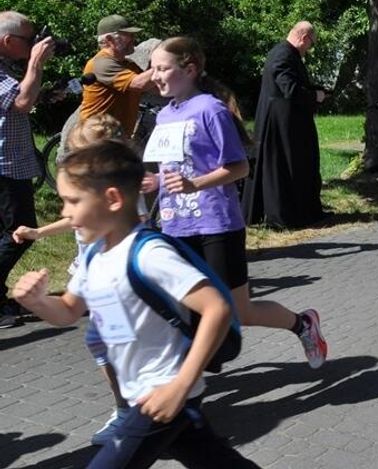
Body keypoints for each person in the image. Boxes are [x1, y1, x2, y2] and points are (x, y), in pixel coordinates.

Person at [14, 140, 258, 467]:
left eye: (72, 201)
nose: (64, 212)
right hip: (147, 394)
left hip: (162, 391)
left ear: (112, 199)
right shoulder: (94, 255)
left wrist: (180, 386)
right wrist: (38, 301)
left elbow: (217, 308)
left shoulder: (149, 254)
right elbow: (69, 311)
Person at [150, 37, 328, 368]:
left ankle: (302, 323)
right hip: (176, 225)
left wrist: (195, 184)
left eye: (162, 68)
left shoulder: (210, 110)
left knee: (238, 311)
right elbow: (173, 169)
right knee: (187, 306)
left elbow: (239, 167)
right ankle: (196, 370)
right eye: (152, 69)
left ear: (189, 69)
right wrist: (155, 181)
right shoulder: (163, 117)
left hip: (216, 225)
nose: (154, 76)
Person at [13, 113, 158, 444]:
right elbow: (75, 217)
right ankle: (127, 408)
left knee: (121, 343)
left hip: (119, 279)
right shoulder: (87, 193)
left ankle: (142, 403)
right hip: (93, 272)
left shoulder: (123, 197)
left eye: (78, 154)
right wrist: (38, 232)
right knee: (103, 342)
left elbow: (137, 231)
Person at [242, 21, 325, 230]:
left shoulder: (284, 53)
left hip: (288, 124)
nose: (310, 49)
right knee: (284, 168)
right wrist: (316, 95)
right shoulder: (283, 55)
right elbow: (290, 89)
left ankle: (303, 210)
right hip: (281, 126)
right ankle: (286, 215)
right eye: (311, 44)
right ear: (304, 38)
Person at [0, 11, 55, 328]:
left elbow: (22, 100)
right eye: (29, 39)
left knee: (7, 233)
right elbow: (20, 103)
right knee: (21, 232)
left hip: (10, 162)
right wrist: (36, 63)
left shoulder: (7, 67)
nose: (34, 43)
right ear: (8, 41)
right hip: (5, 165)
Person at [79, 14, 155, 134]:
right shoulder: (102, 64)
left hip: (115, 137)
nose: (133, 38)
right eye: (128, 35)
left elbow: (150, 84)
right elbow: (139, 84)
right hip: (97, 138)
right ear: (109, 40)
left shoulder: (127, 64)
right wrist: (165, 63)